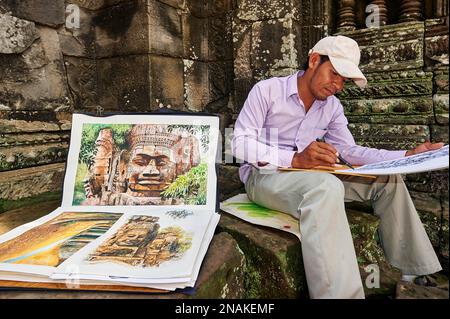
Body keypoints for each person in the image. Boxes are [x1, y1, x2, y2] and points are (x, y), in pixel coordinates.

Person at [231, 35, 444, 299]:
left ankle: (413, 274)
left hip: (309, 175)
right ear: (313, 61)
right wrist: (295, 160)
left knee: (389, 180)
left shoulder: (331, 107)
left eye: (343, 80)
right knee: (326, 186)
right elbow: (239, 144)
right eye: (334, 74)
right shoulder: (268, 91)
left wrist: (406, 155)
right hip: (264, 176)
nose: (337, 85)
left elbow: (349, 151)